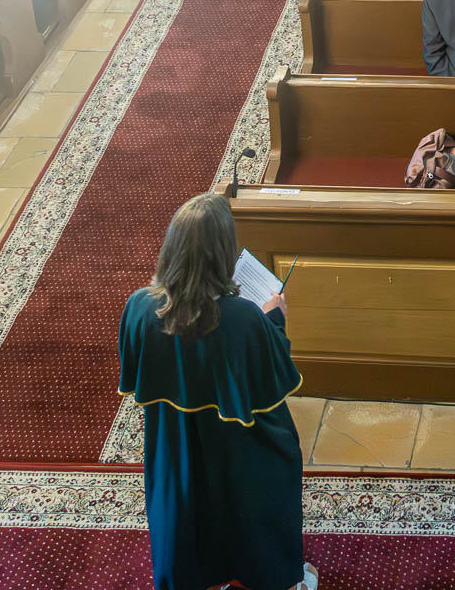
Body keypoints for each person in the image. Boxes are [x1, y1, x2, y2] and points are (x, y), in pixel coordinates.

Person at [118, 193, 313, 590]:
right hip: (238, 445)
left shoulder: (138, 307)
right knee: (274, 470)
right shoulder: (243, 317)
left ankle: (203, 577)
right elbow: (272, 377)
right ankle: (275, 576)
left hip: (175, 443)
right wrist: (275, 319)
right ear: (222, 253)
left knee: (188, 507)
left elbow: (139, 372)